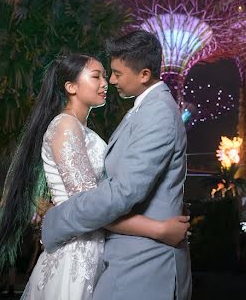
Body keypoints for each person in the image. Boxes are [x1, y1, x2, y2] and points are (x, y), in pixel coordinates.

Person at [0, 53, 190, 299]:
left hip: (95, 249)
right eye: (96, 76)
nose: (105, 83)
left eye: (106, 76)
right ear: (71, 87)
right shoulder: (65, 127)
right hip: (76, 254)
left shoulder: (82, 131)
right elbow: (92, 207)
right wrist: (158, 229)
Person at [41, 31, 192, 300]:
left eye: (116, 74)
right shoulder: (143, 109)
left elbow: (123, 191)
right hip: (118, 257)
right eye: (100, 75)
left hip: (142, 263)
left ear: (144, 75)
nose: (110, 81)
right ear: (69, 86)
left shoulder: (156, 112)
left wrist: (58, 217)